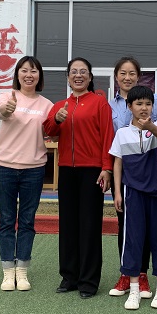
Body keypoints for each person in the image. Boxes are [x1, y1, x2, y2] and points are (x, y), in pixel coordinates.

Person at [108, 57, 157, 298]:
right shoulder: (115, 118)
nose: (143, 107)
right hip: (129, 187)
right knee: (129, 233)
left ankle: (151, 281)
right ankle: (130, 279)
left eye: (148, 104)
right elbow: (117, 160)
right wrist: (116, 190)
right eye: (123, 73)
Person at [43, 57, 114, 299]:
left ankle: (88, 281)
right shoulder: (60, 105)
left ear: (90, 77)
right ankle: (69, 276)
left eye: (83, 72)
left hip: (92, 171)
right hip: (66, 170)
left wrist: (107, 168)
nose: (78, 75)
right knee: (68, 224)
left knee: (90, 224)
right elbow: (48, 132)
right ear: (68, 77)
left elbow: (108, 137)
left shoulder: (99, 103)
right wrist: (56, 119)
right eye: (74, 72)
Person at [0, 56, 53, 291]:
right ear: (17, 74)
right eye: (24, 70)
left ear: (39, 76)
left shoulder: (46, 105)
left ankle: (22, 270)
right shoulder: (6, 96)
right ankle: (8, 271)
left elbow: (52, 131)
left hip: (34, 169)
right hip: (4, 167)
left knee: (27, 220)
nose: (29, 75)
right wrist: (7, 109)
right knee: (6, 220)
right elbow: (1, 112)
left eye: (34, 71)